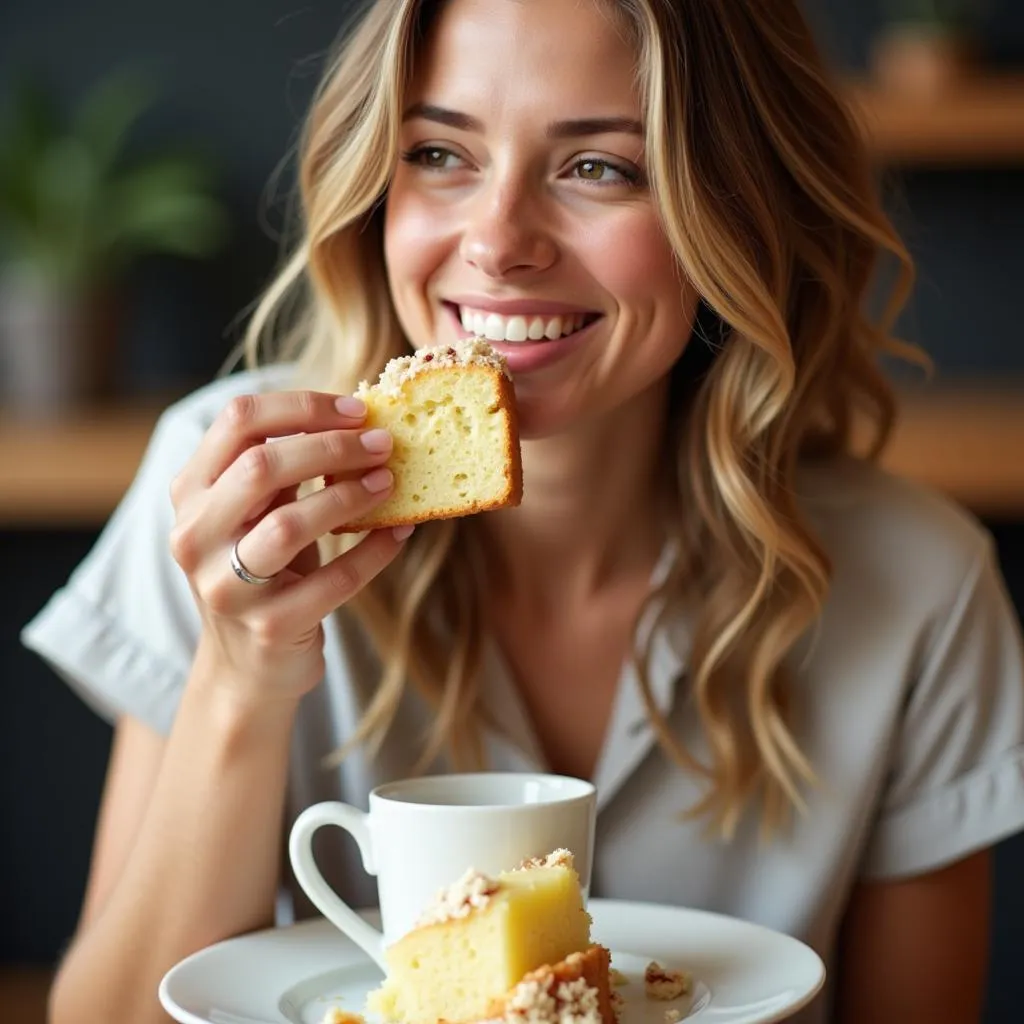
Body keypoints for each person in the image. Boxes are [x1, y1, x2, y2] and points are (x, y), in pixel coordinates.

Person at [22, 1, 1024, 1022]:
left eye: (599, 167)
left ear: (737, 209)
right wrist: (242, 670)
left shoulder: (918, 588)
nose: (497, 242)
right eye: (438, 152)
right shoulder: (238, 493)